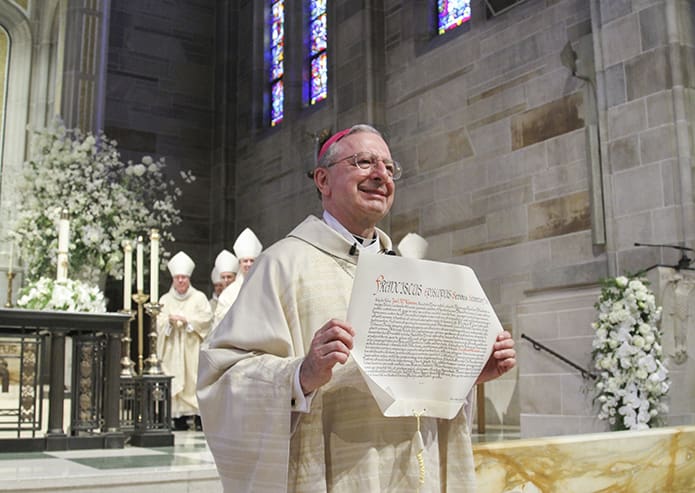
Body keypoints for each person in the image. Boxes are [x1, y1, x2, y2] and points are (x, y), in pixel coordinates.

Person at [197, 124, 516, 492]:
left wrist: (467, 375)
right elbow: (220, 378)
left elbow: (422, 388)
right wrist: (301, 374)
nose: (380, 175)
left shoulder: (412, 274)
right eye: (364, 162)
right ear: (323, 179)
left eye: (389, 167)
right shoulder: (284, 264)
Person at [156, 251, 213, 431]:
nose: (181, 281)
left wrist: (188, 321)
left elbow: (206, 319)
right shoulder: (165, 299)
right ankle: (175, 418)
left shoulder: (199, 297)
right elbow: (158, 321)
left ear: (189, 278)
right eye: (177, 277)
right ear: (173, 279)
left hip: (191, 350)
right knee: (172, 379)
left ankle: (195, 417)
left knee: (193, 379)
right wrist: (169, 322)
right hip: (172, 349)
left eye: (184, 277)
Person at [211, 228, 263, 328]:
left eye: (252, 260)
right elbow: (220, 321)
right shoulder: (228, 293)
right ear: (239, 263)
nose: (248, 264)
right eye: (245, 261)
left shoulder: (265, 286)